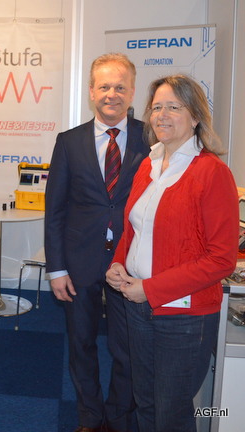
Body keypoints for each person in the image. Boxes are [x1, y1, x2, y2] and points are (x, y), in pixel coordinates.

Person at [106, 74, 239, 431]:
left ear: (195, 116)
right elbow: (134, 228)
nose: (162, 115)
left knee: (171, 414)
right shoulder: (148, 164)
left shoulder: (212, 173)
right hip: (137, 307)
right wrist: (118, 263)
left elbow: (221, 259)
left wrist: (150, 289)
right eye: (157, 108)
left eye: (174, 107)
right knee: (145, 403)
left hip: (184, 318)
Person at [45, 53, 150, 432]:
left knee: (128, 350)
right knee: (81, 344)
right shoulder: (69, 142)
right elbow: (55, 210)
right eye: (104, 86)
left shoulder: (151, 138)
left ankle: (119, 419)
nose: (112, 94)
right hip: (79, 262)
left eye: (120, 87)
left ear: (132, 92)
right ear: (91, 91)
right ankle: (90, 417)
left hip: (131, 262)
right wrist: (56, 269)